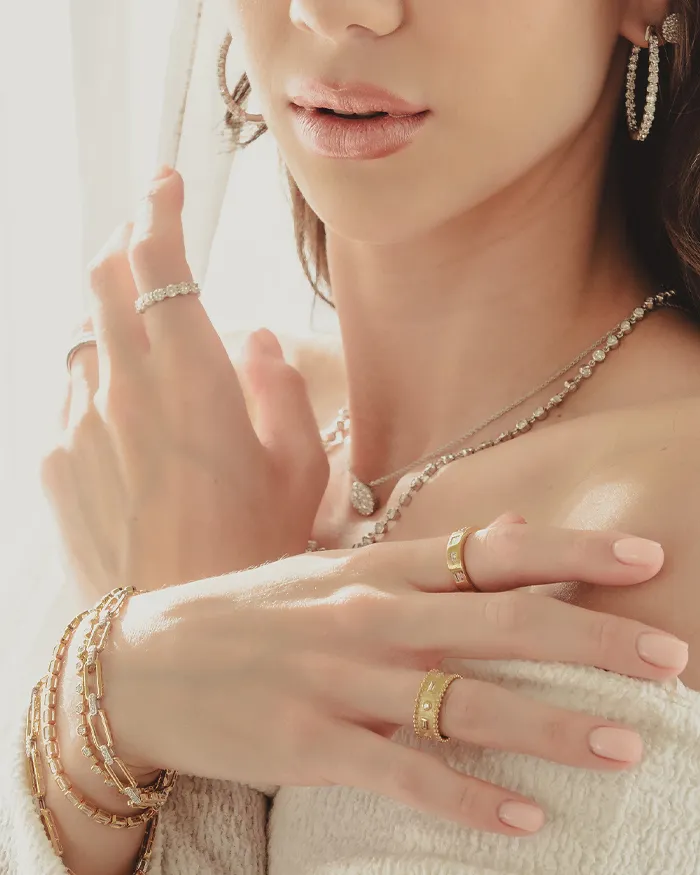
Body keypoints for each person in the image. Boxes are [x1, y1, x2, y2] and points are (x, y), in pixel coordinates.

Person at [2, 1, 700, 874]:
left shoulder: (663, 528)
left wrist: (171, 629)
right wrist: (112, 689)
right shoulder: (148, 442)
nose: (331, 10)